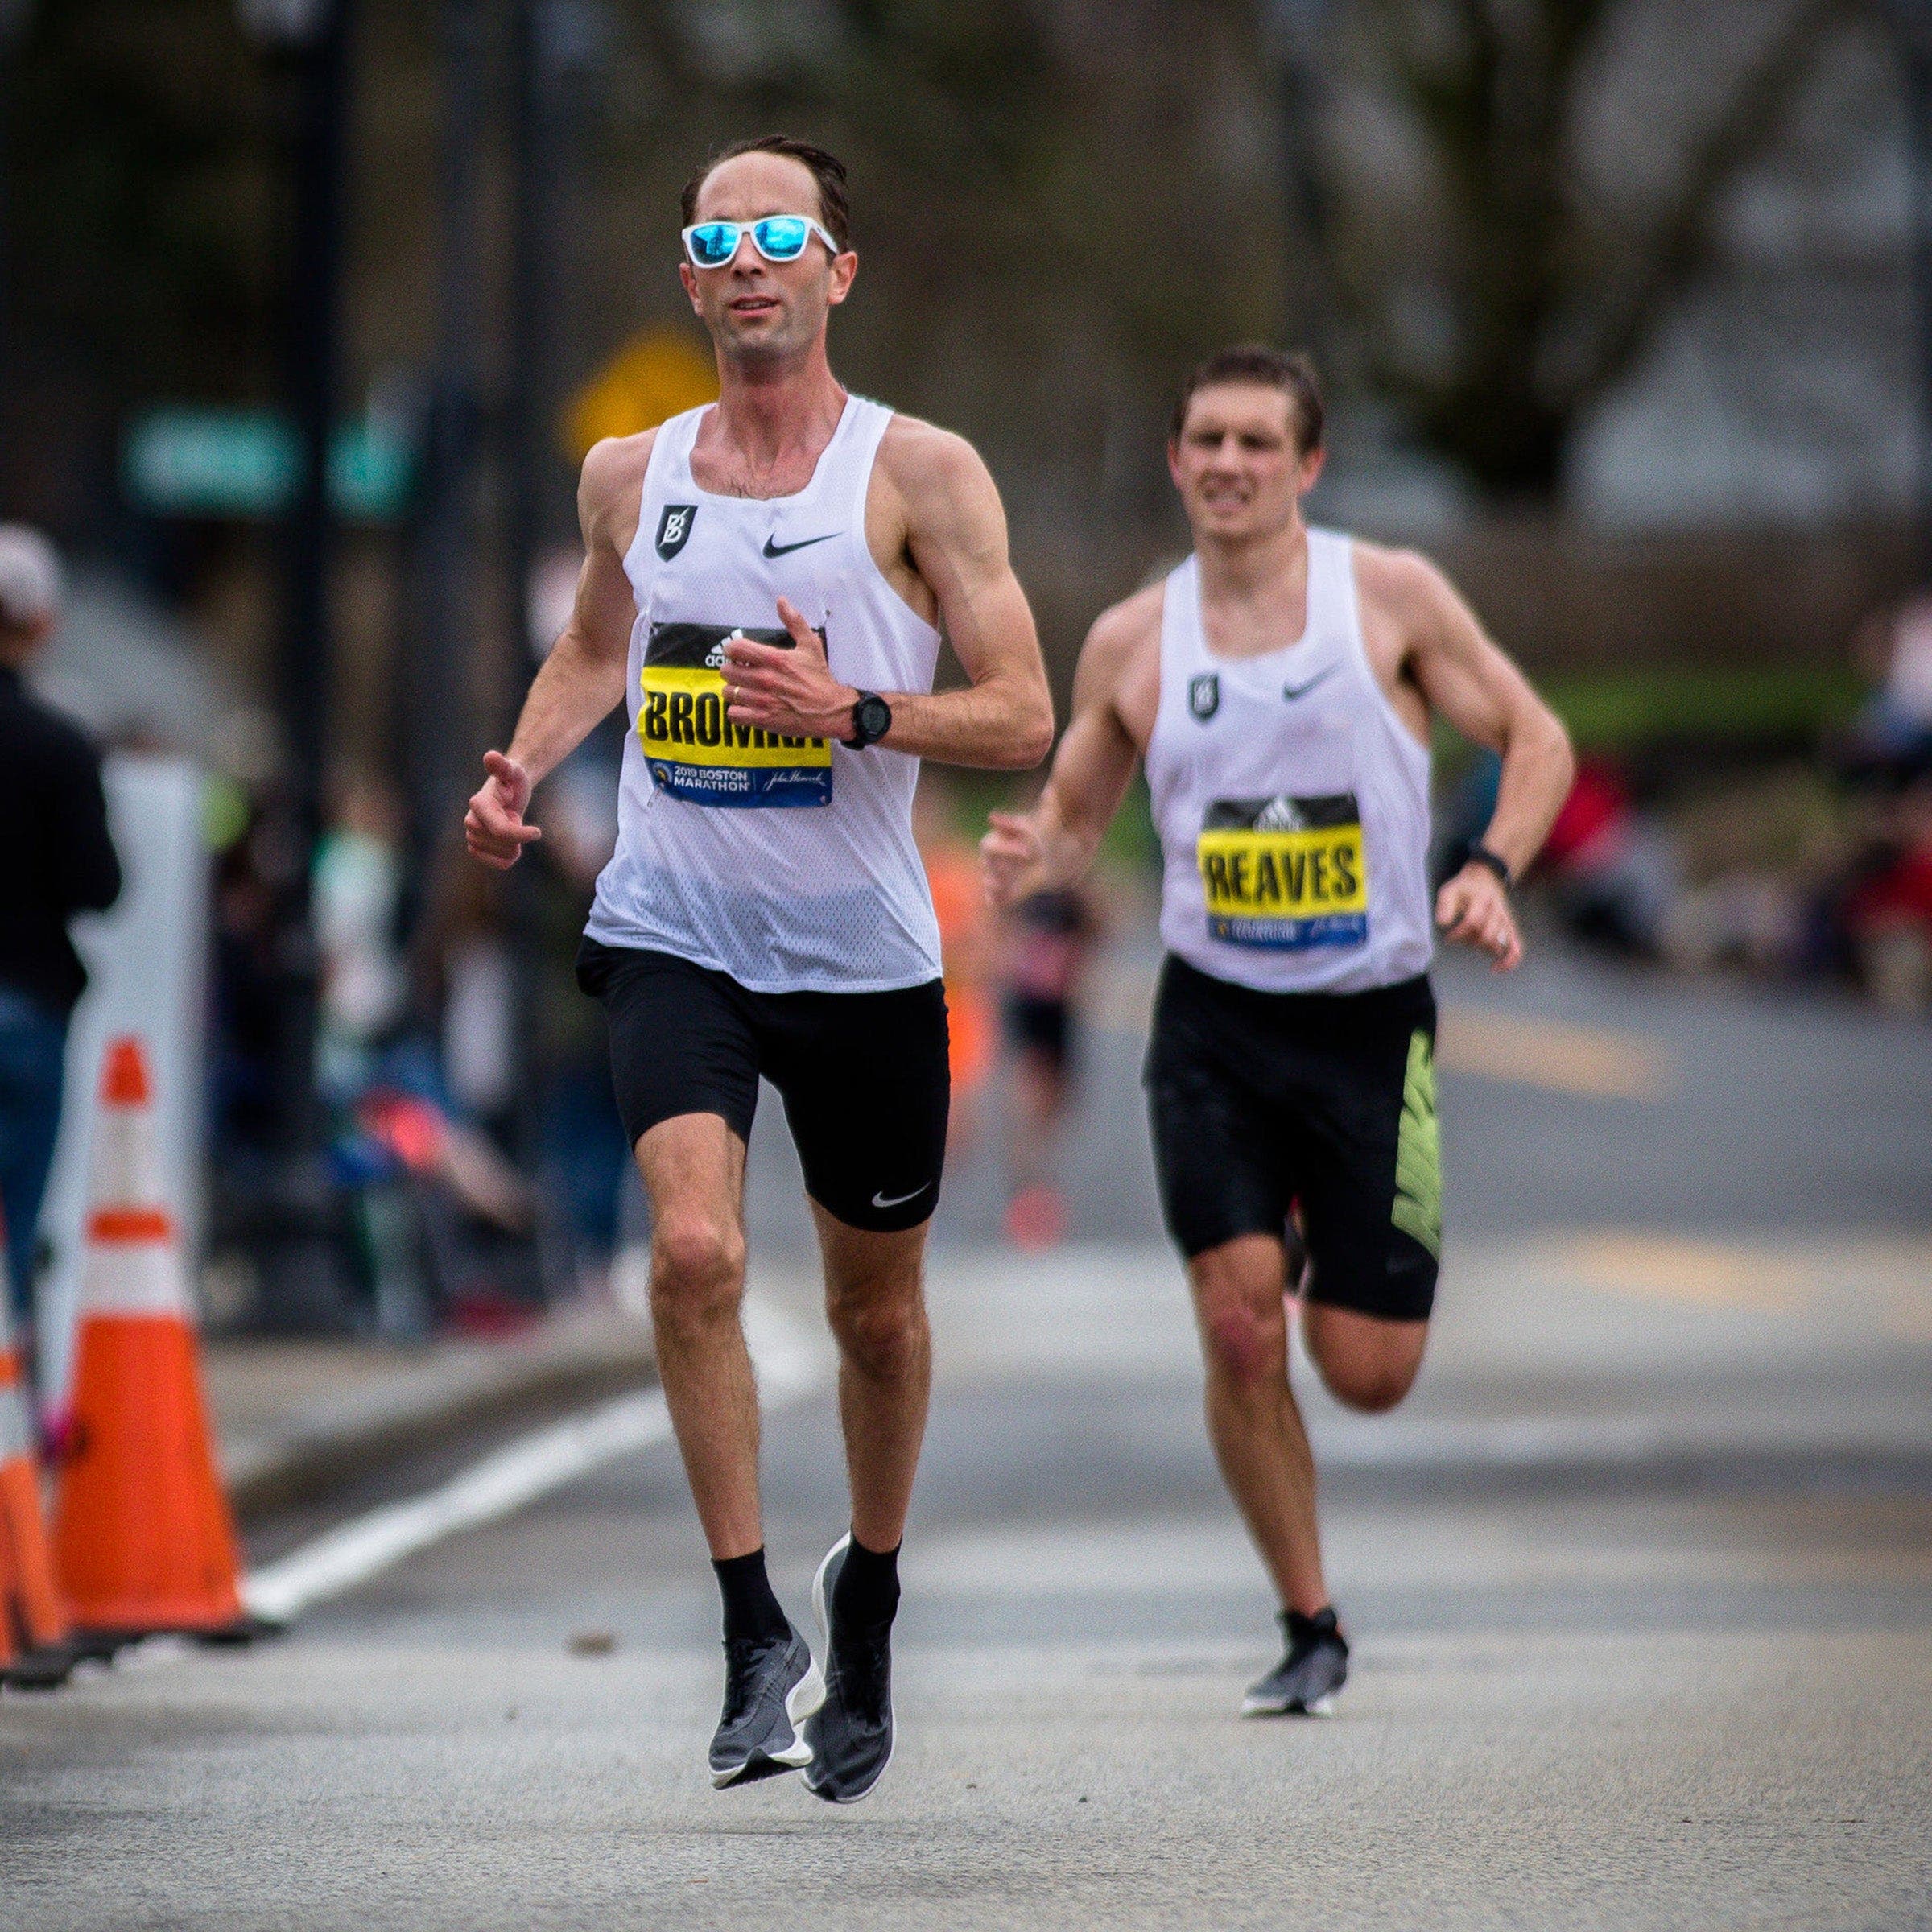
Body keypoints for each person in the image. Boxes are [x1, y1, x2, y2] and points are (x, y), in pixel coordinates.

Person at [465, 136, 1053, 1799]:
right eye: (716, 236)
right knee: (695, 1253)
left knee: (878, 1319)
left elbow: (1023, 714)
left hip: (860, 955)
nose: (747, 258)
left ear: (835, 272)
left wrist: (856, 713)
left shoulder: (921, 475)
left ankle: (862, 1591)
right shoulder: (626, 472)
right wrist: (521, 767)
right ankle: (748, 1630)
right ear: (689, 275)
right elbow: (595, 644)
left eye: (779, 233)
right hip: (678, 928)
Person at [980, 345, 1573, 1719]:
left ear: (1307, 464)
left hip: (1371, 1025)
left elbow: (1537, 738)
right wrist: (1040, 851)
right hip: (1214, 1025)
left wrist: (1487, 864)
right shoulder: (1136, 640)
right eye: (1206, 441)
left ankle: (1314, 1238)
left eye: (1258, 442)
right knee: (1241, 1329)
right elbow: (1077, 812)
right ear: (1177, 460)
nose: (1229, 465)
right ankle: (1310, 1618)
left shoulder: (1390, 600)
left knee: (1366, 1373)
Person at [0, 526, 122, 1348]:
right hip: (26, 1002)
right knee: (16, 1210)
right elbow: (97, 885)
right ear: (41, 624)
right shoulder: (60, 745)